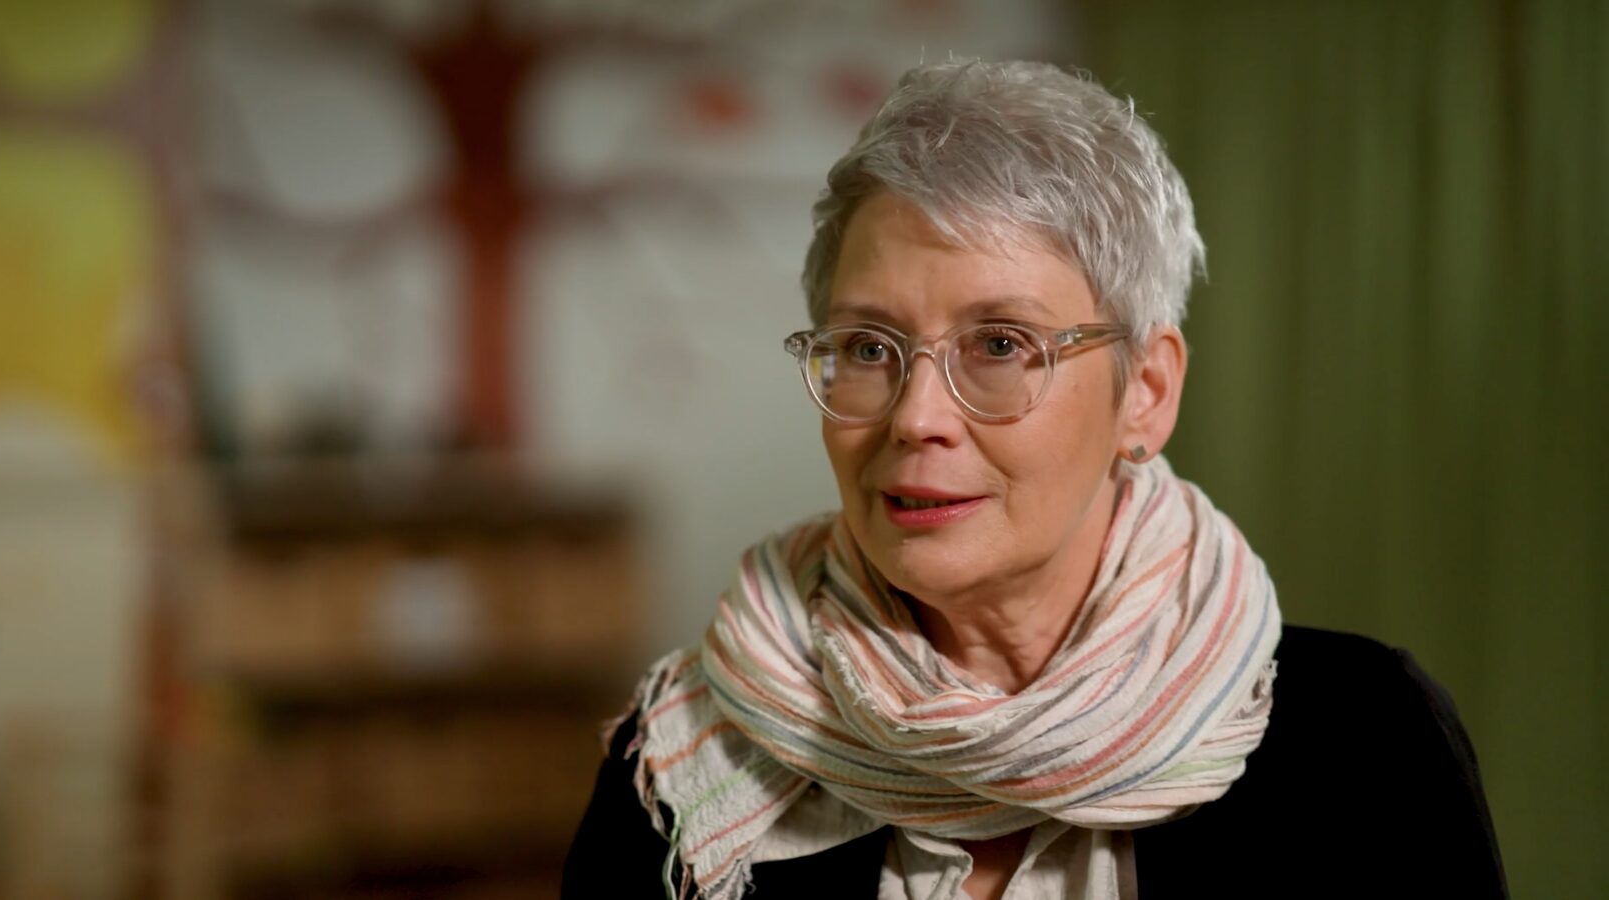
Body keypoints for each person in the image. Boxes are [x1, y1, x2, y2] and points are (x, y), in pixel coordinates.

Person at [562, 60, 1506, 899]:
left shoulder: (1366, 747)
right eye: (868, 347)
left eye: (1001, 345)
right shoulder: (684, 757)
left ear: (1146, 392)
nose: (916, 417)